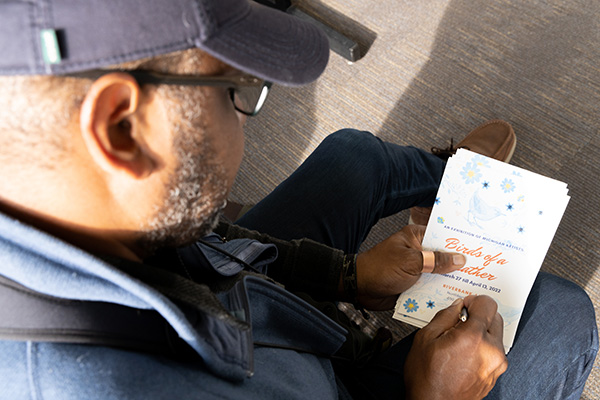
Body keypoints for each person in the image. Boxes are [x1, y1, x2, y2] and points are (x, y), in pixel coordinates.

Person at [0, 0, 596, 399]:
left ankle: (456, 182)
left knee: (352, 158)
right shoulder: (101, 385)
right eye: (235, 90)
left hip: (270, 323)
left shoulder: (55, 200)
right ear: (122, 129)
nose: (245, 114)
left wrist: (346, 274)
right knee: (562, 317)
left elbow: (209, 243)